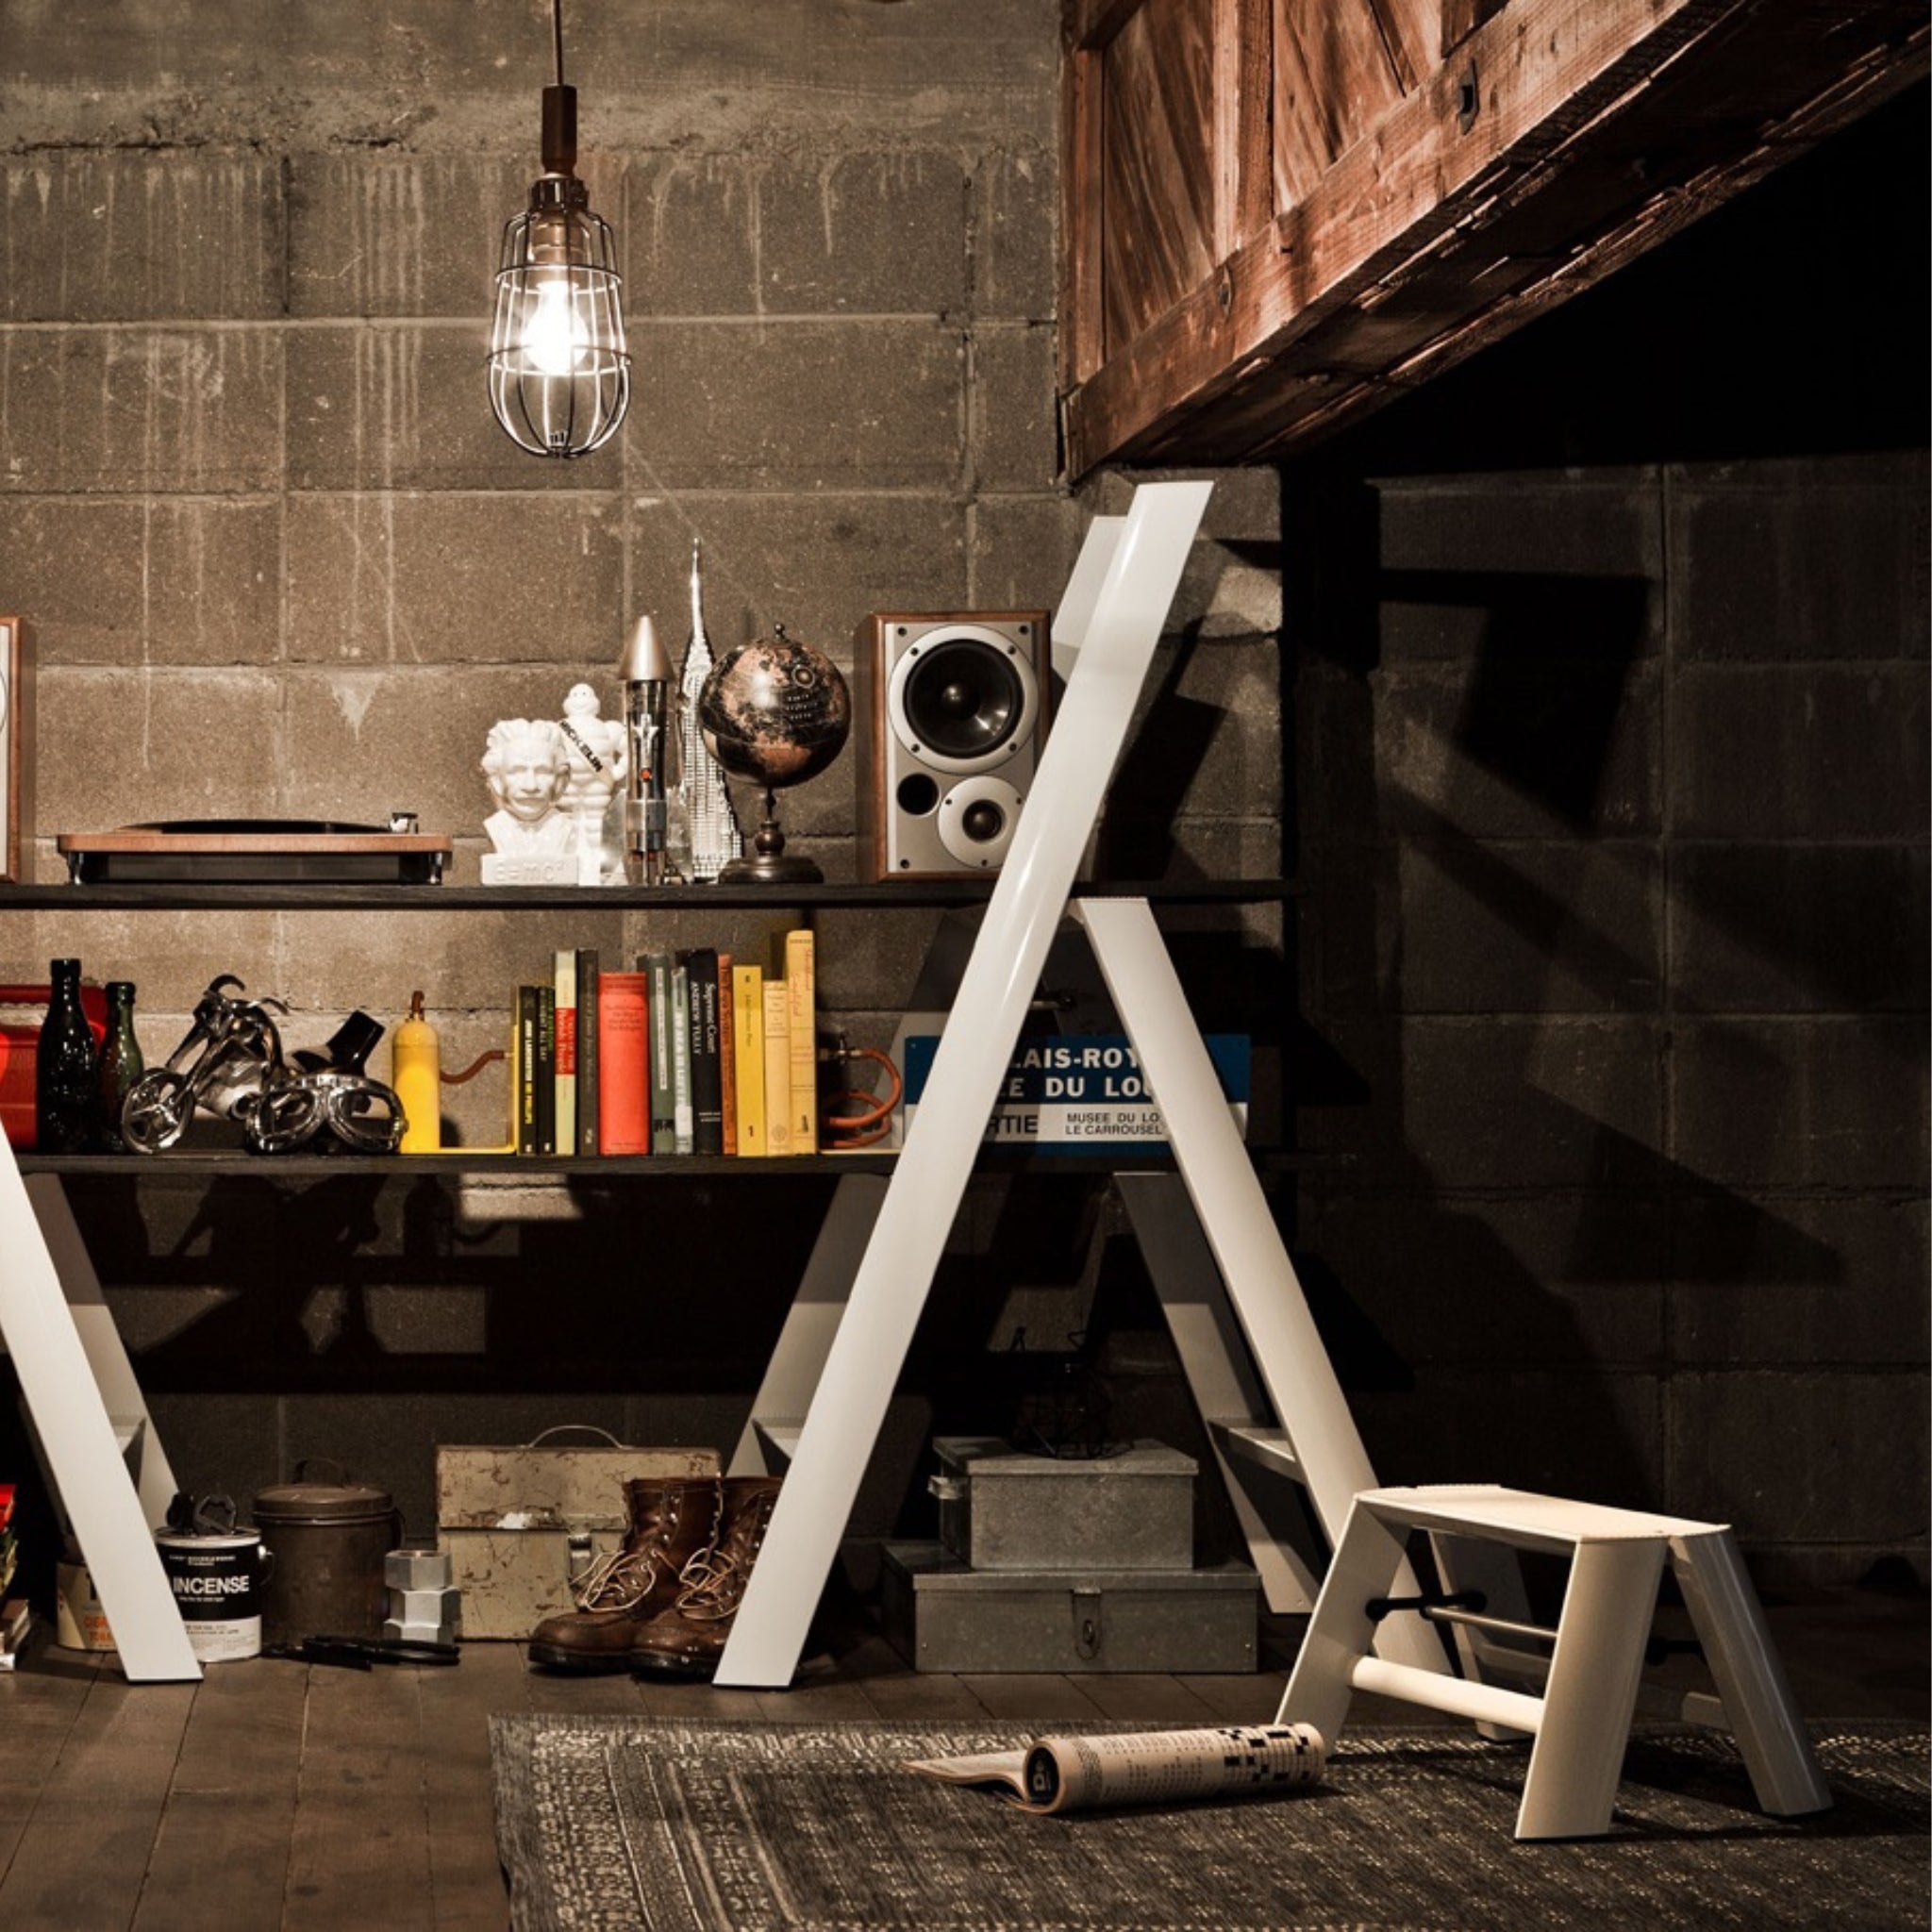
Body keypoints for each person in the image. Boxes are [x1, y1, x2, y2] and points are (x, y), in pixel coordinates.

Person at [557, 683, 628, 883]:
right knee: (566, 827)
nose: (581, 698)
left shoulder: (609, 729)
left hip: (598, 786)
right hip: (567, 785)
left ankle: (597, 871)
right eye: (576, 695)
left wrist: (617, 772)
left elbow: (630, 750)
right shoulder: (558, 729)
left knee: (597, 826)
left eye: (584, 695)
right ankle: (567, 870)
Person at [480, 718, 577, 857]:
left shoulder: (569, 829)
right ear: (497, 780)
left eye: (542, 771)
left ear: (559, 781)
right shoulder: (495, 827)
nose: (530, 786)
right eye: (517, 771)